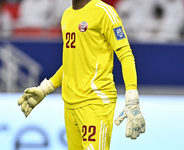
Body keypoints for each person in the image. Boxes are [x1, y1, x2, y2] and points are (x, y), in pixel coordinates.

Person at [18, 0, 146, 149]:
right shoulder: (67, 15)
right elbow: (72, 62)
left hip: (95, 102)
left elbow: (126, 55)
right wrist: (45, 88)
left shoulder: (104, 12)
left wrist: (132, 99)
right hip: (70, 104)